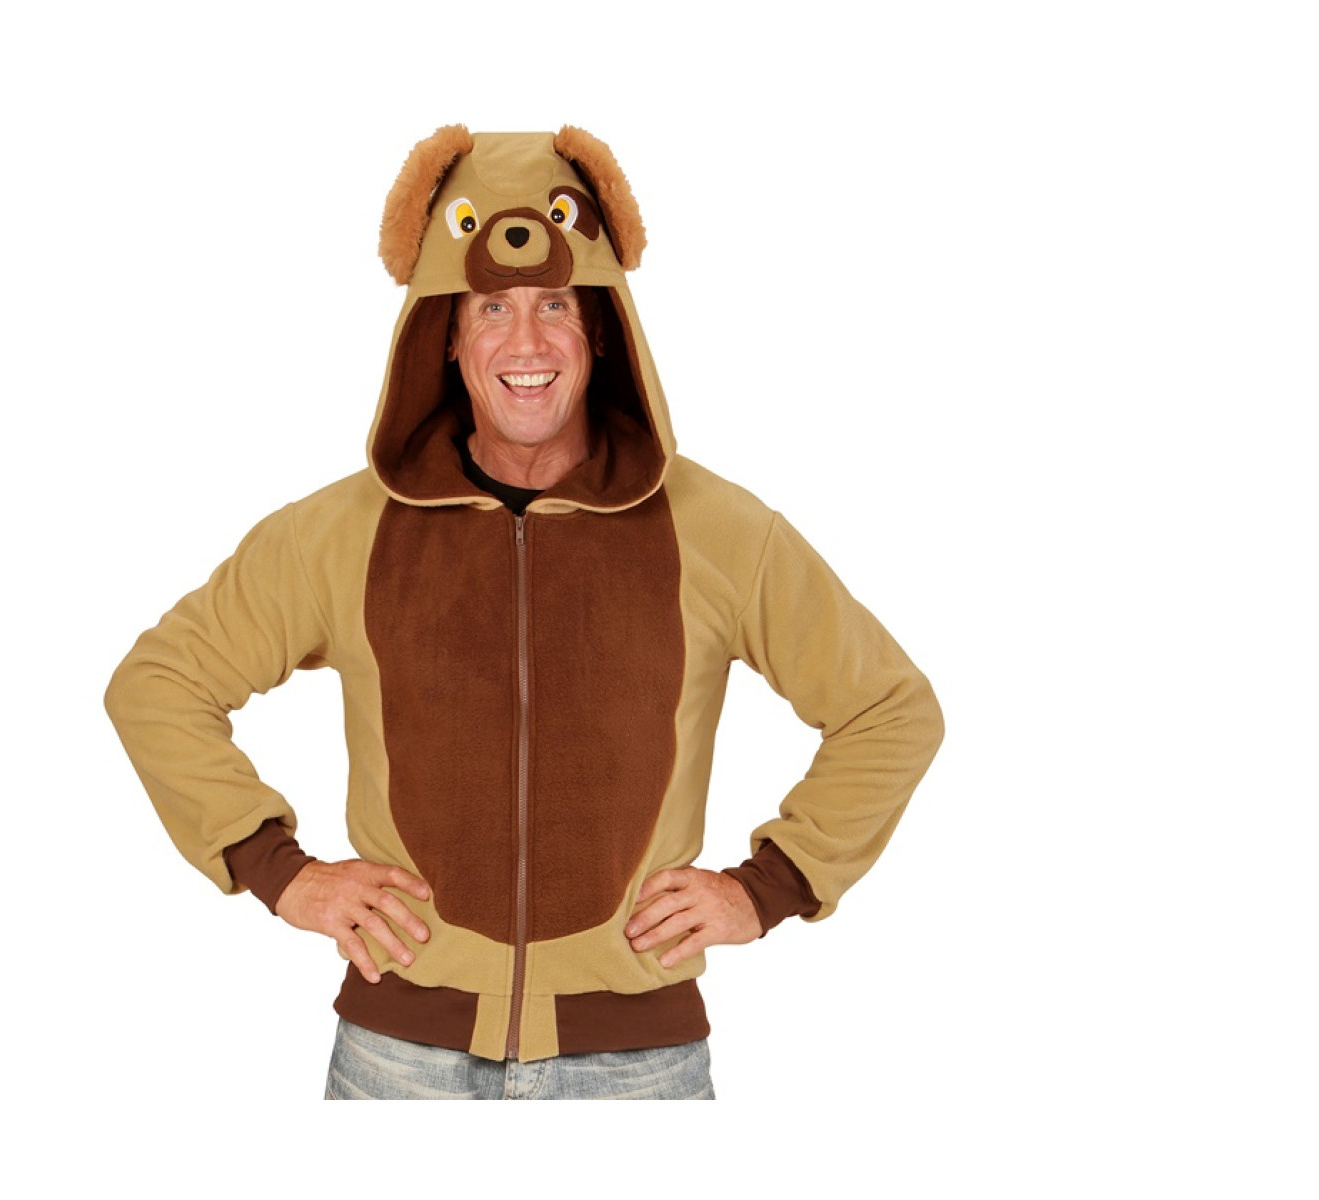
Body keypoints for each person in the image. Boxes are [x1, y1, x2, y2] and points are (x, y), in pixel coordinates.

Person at [105, 126, 943, 1100]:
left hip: (638, 1066)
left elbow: (890, 709)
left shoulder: (717, 530)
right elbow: (158, 685)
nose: (527, 342)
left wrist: (768, 889)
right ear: (446, 333)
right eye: (492, 308)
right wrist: (279, 872)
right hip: (399, 1061)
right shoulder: (338, 533)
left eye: (555, 304)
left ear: (601, 328)